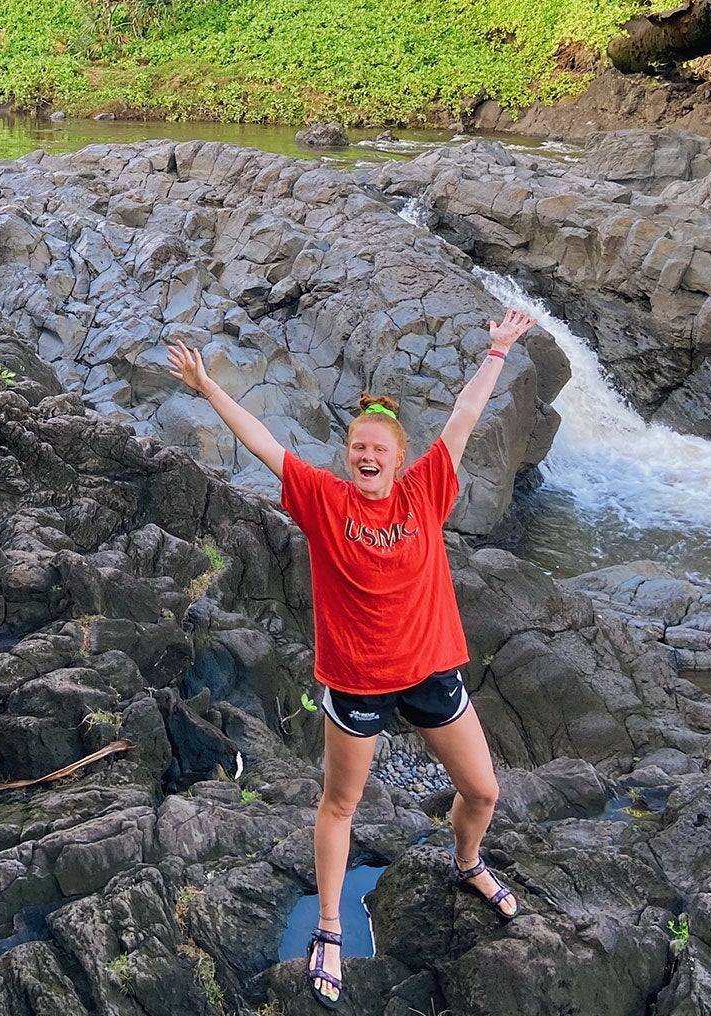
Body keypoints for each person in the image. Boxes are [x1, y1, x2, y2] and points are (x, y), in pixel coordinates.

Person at [166, 308, 538, 1009]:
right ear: (348, 455)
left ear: (398, 458)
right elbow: (265, 444)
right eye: (358, 447)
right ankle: (331, 927)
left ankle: (467, 863)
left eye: (379, 449)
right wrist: (208, 387)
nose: (367, 456)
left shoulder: (426, 490)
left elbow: (464, 418)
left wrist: (497, 351)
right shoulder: (324, 501)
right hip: (357, 682)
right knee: (341, 805)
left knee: (484, 792)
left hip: (430, 669)